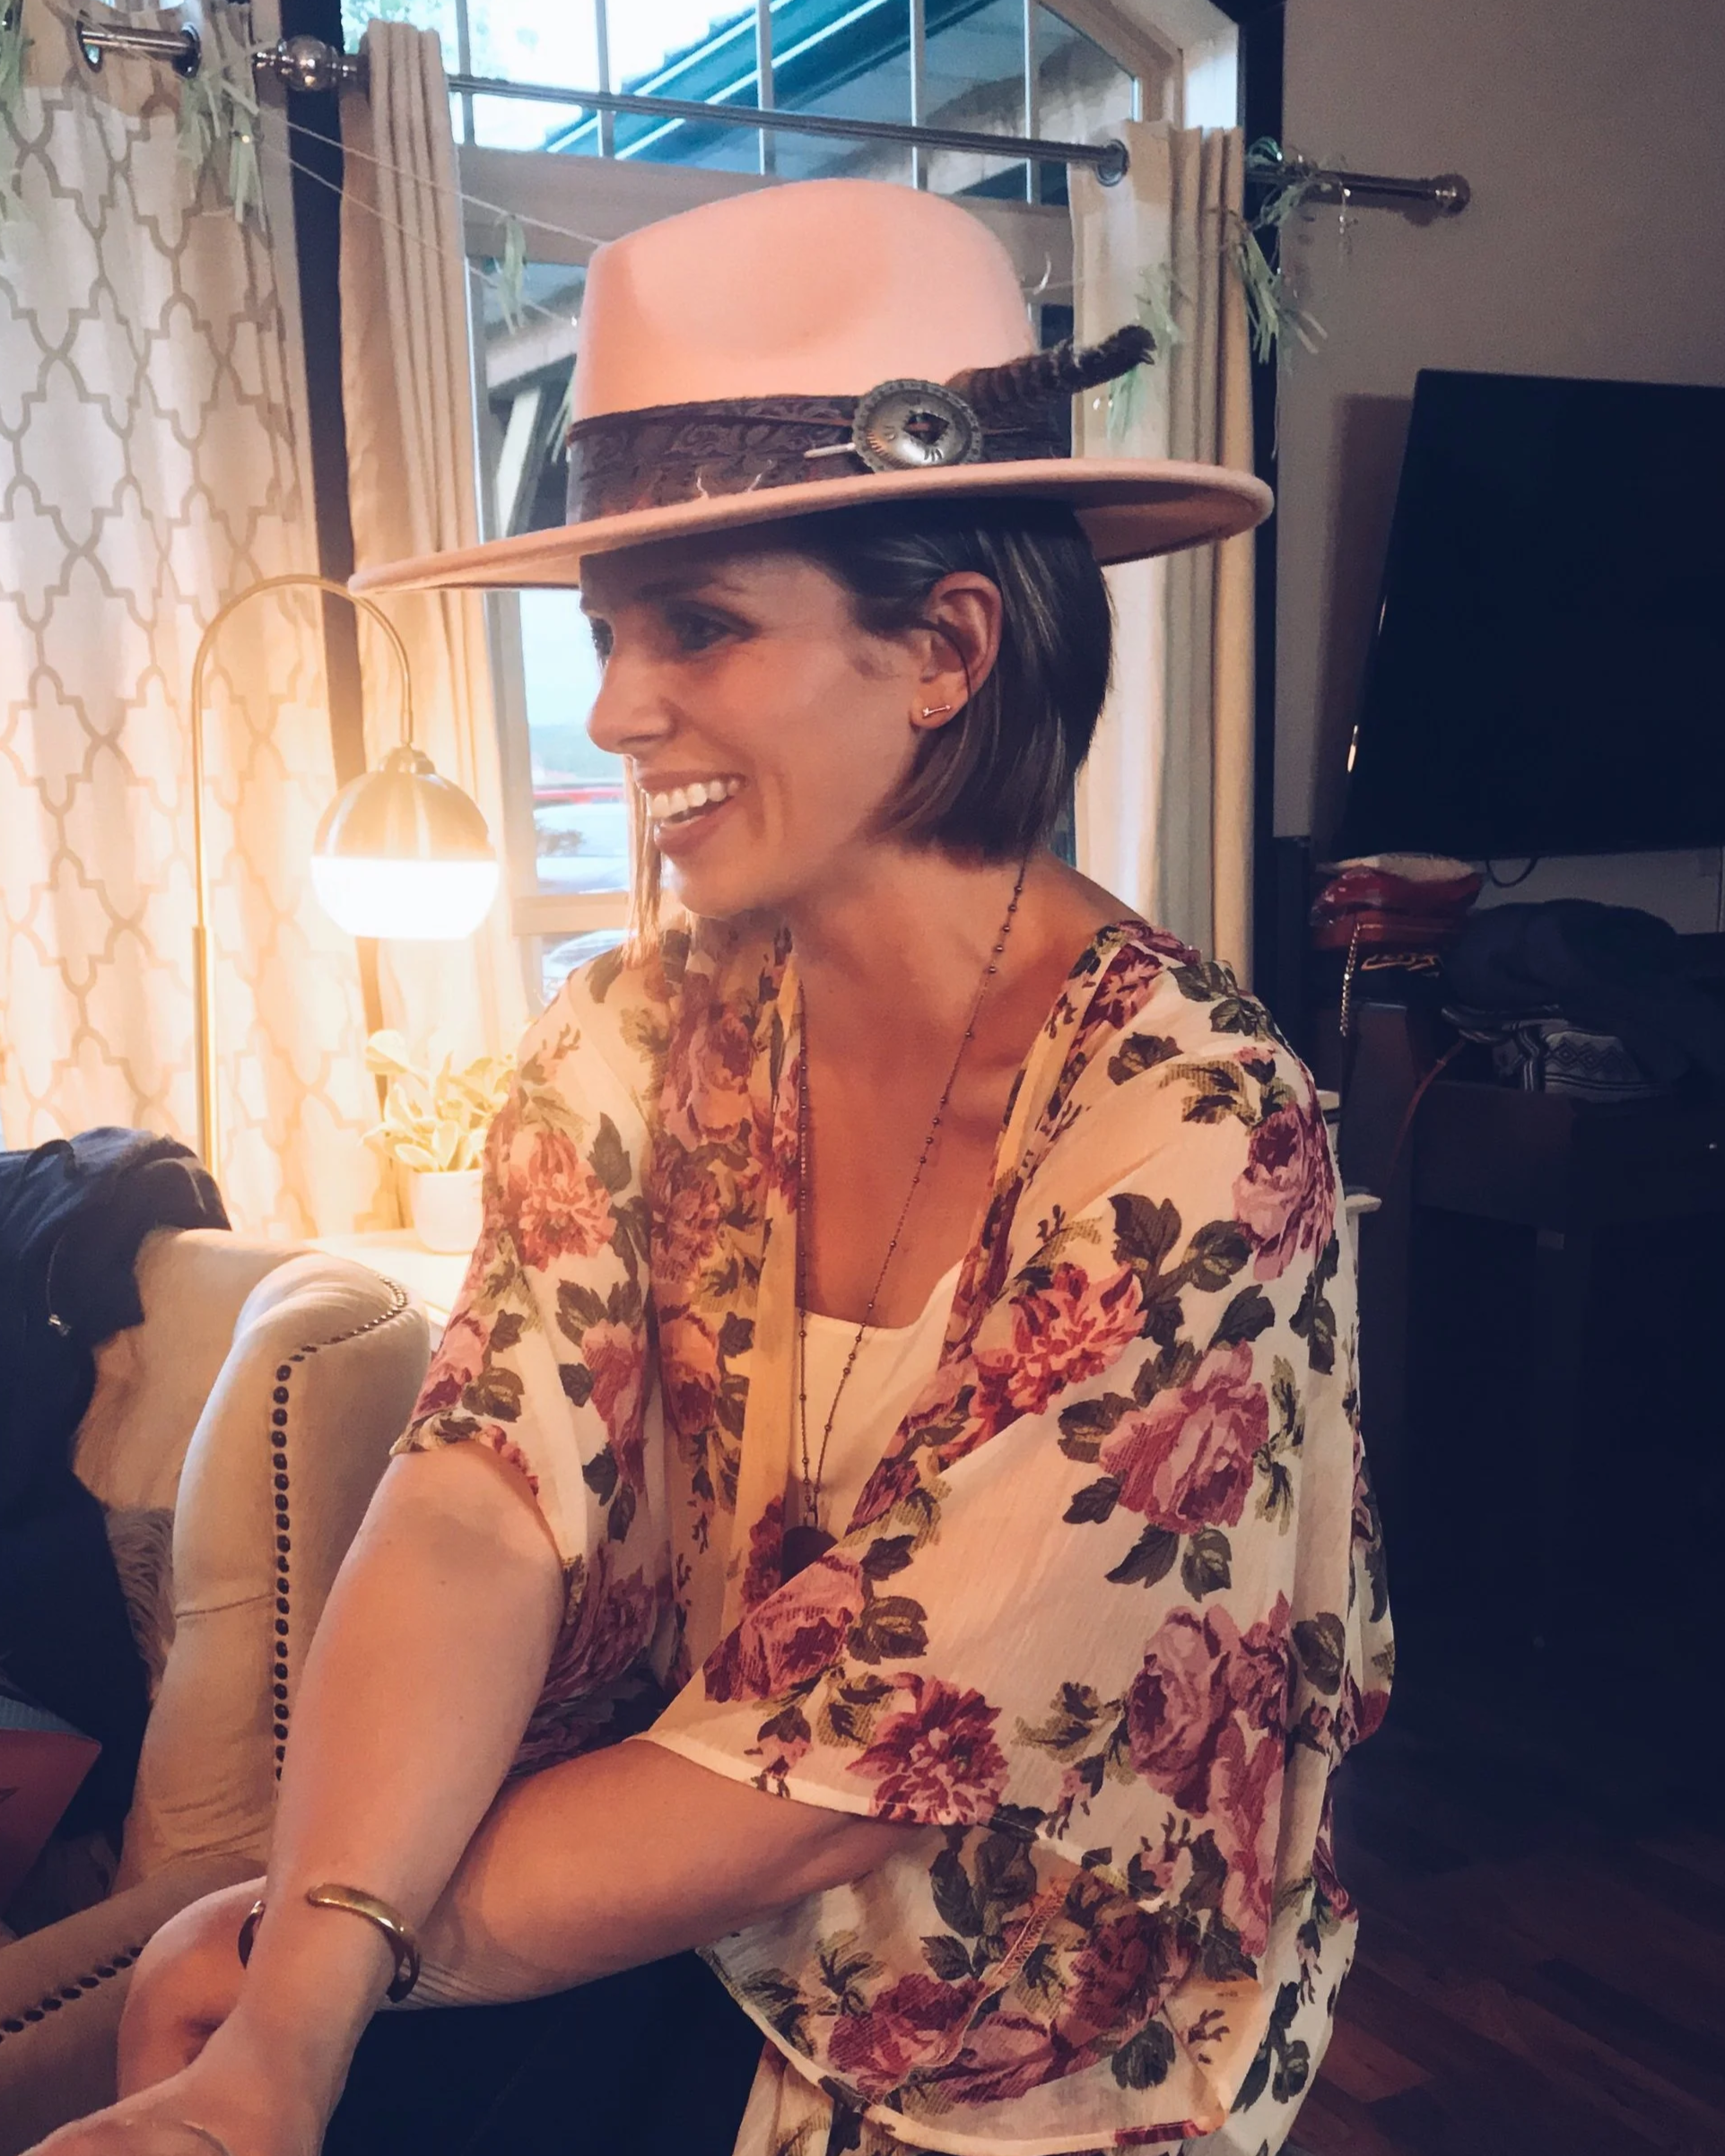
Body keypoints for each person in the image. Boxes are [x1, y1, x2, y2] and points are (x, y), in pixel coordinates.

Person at [34, 177, 1390, 2156]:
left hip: (997, 2003)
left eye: (698, 628)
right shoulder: (632, 1032)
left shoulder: (1189, 1117)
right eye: (606, 634)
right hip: (674, 1882)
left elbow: (855, 1765)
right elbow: (481, 1501)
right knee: (206, 2012)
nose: (610, 708)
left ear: (944, 646)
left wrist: (335, 1966)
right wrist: (280, 2004)